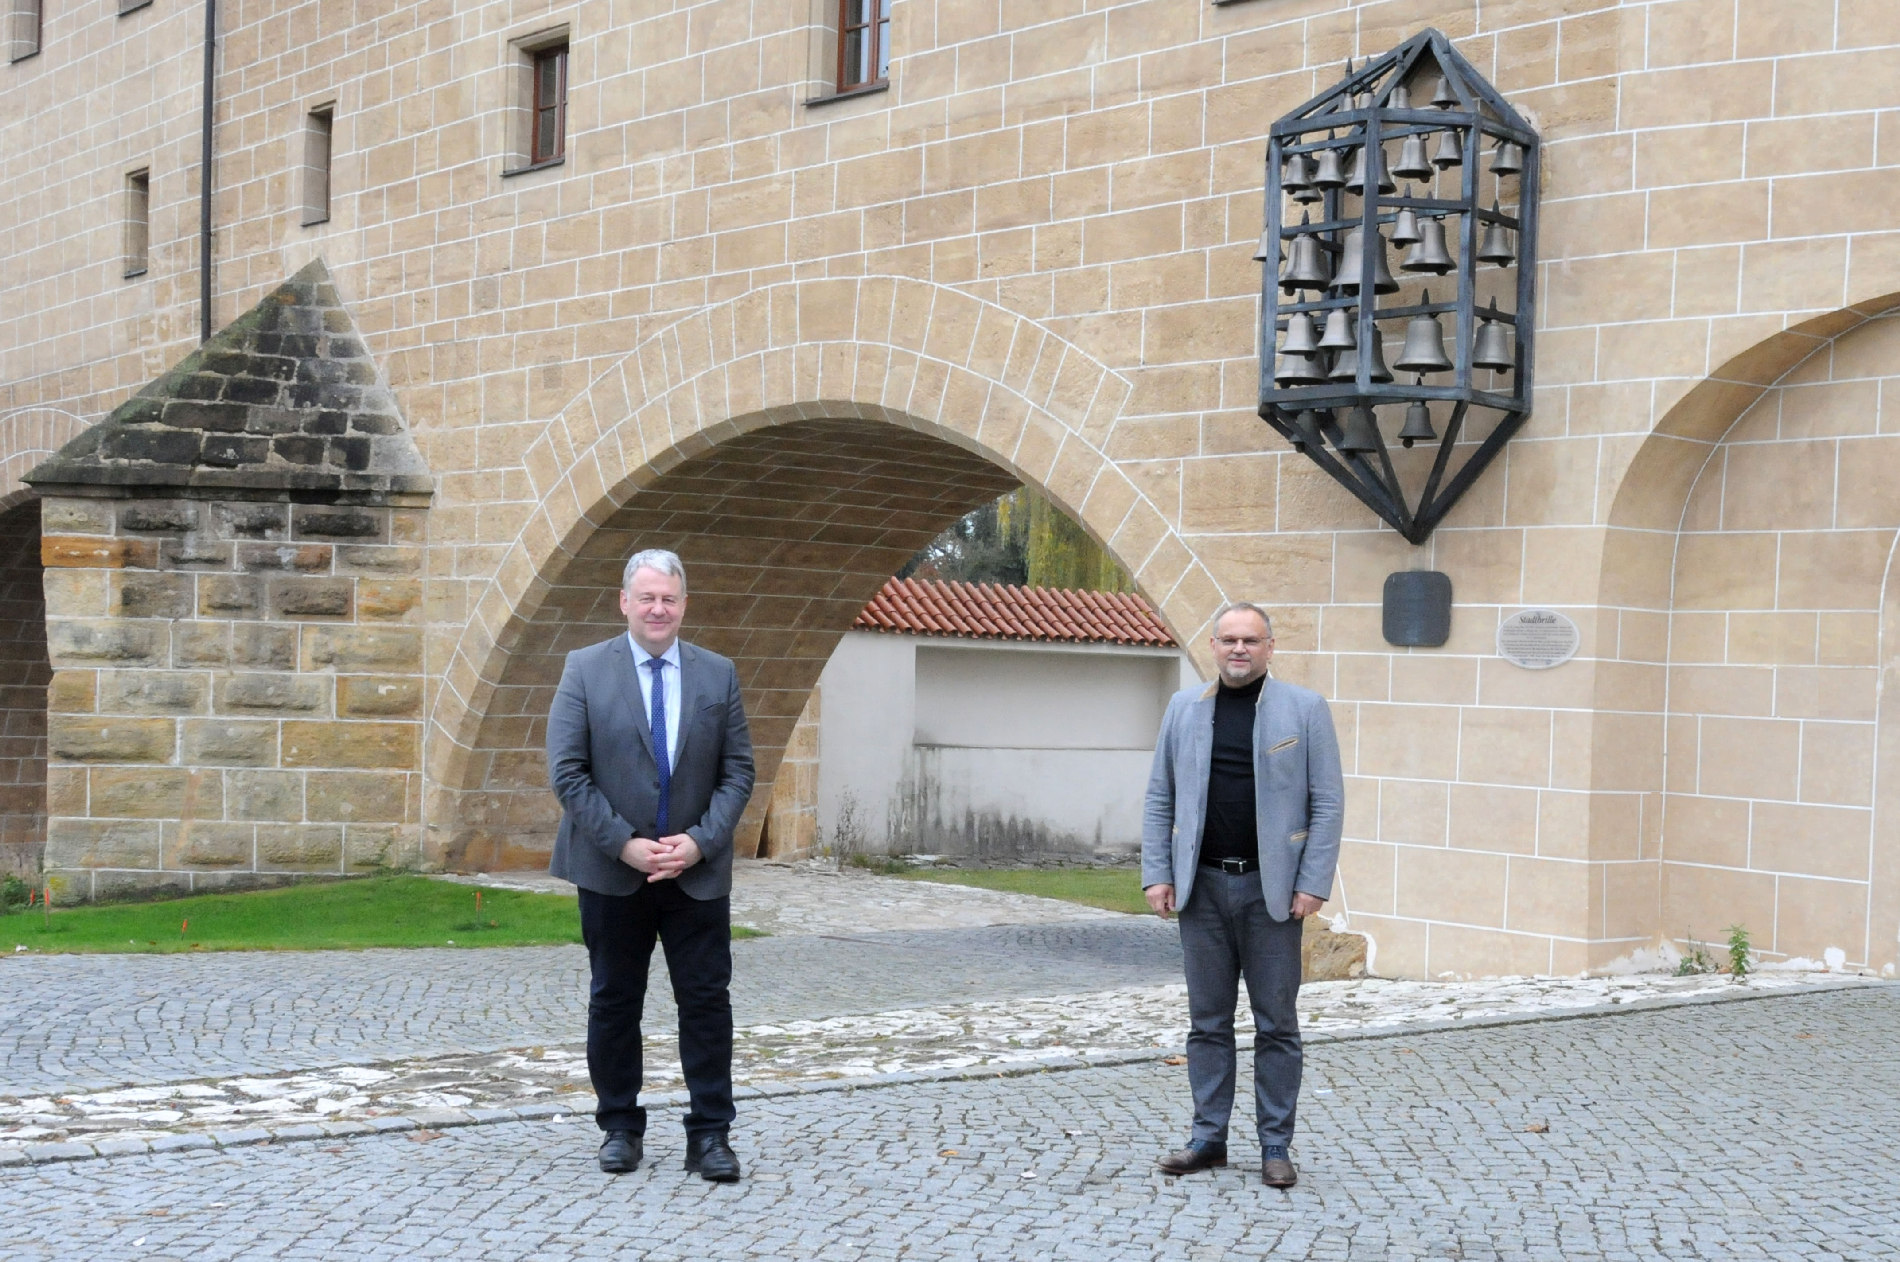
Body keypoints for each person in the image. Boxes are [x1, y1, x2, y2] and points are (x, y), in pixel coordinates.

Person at [546, 548, 756, 1182]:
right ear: (625, 602)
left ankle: (711, 1135)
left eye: (669, 599)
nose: (658, 609)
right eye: (647, 598)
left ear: (683, 605)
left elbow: (738, 770)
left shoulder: (717, 675)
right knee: (614, 1001)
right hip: (613, 870)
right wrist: (625, 845)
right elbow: (568, 772)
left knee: (706, 1002)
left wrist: (698, 842)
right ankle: (619, 1128)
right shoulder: (584, 670)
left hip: (695, 872)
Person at [1140, 601, 1343, 1189]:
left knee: (1276, 1022)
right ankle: (1208, 1139)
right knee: (1207, 1021)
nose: (1238, 649)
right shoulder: (1183, 709)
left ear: (1270, 648)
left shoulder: (1304, 709)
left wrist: (1312, 882)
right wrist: (1159, 872)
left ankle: (1275, 1145)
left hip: (1271, 891)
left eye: (1250, 640)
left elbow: (1327, 803)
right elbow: (1160, 797)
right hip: (1201, 888)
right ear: (1212, 645)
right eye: (1228, 639)